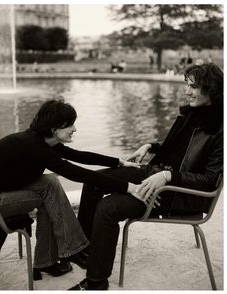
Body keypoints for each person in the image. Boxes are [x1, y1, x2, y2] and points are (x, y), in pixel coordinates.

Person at [69, 62, 223, 290]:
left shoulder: (221, 129)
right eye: (187, 85)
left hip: (175, 193)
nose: (187, 91)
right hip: (157, 173)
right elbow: (179, 147)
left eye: (193, 86)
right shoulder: (193, 113)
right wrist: (149, 145)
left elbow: (210, 181)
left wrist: (168, 178)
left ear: (211, 89)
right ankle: (85, 250)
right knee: (94, 181)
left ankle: (96, 281)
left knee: (108, 207)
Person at [0, 99, 141, 280]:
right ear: (54, 128)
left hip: (4, 190)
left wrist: (117, 162)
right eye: (70, 125)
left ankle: (51, 259)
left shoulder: (40, 141)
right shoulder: (34, 147)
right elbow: (76, 173)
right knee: (50, 190)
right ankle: (72, 249)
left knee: (49, 183)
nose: (75, 129)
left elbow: (78, 156)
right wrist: (127, 186)